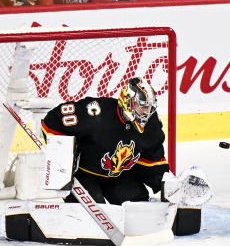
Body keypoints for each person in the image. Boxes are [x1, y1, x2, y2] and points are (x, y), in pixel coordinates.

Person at [40, 77, 169, 205]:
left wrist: (167, 186)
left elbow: (152, 159)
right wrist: (62, 162)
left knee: (137, 206)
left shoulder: (151, 123)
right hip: (84, 174)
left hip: (119, 176)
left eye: (149, 107)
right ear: (127, 101)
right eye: (142, 107)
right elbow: (52, 122)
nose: (146, 113)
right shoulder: (96, 114)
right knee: (92, 213)